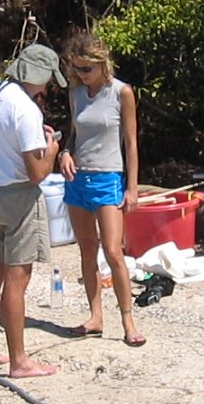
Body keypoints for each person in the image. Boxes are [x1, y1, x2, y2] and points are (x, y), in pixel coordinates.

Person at [0, 42, 65, 378]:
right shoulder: (25, 108)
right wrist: (51, 149)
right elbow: (37, 173)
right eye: (47, 81)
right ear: (38, 76)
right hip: (18, 199)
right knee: (17, 278)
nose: (48, 88)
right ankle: (19, 360)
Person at [57, 29, 145, 347]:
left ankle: (128, 319)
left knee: (113, 251)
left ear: (102, 64)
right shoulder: (76, 92)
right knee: (86, 249)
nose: (81, 74)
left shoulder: (121, 92)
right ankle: (95, 316)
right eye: (76, 69)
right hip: (78, 178)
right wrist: (65, 152)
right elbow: (73, 133)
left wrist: (132, 187)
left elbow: (131, 142)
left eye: (86, 69)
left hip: (109, 176)